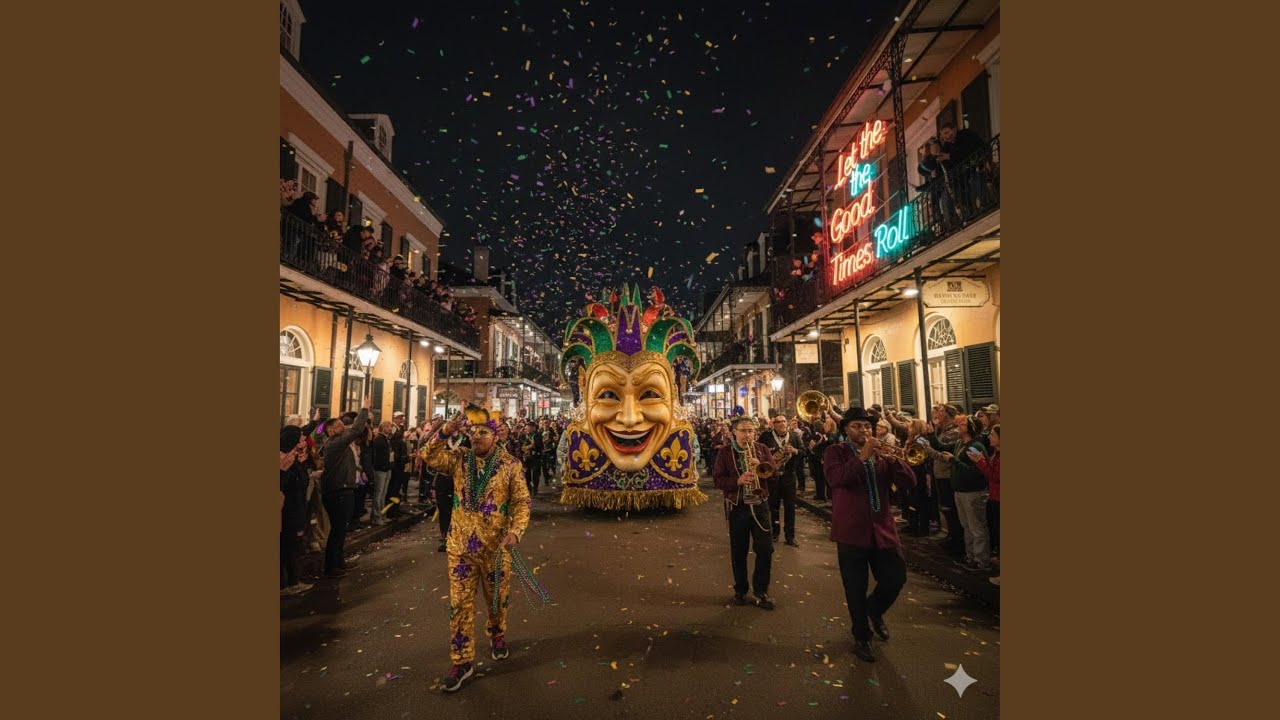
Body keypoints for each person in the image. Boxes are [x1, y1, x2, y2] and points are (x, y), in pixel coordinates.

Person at [420, 406, 531, 693]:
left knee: (496, 600)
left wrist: (516, 532)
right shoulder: (459, 460)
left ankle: (496, 633)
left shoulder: (510, 465)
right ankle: (462, 662)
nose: (477, 437)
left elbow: (522, 503)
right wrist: (445, 431)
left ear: (495, 436)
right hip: (460, 547)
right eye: (472, 432)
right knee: (459, 605)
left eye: (483, 432)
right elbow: (427, 456)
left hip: (496, 549)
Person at [824, 407, 915, 663]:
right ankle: (861, 636)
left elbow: (909, 484)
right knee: (855, 587)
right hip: (851, 531)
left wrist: (897, 462)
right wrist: (861, 458)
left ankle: (874, 611)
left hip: (883, 529)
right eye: (856, 426)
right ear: (845, 430)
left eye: (867, 426)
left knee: (896, 578)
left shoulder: (883, 455)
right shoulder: (836, 452)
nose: (863, 431)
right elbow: (836, 480)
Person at [712, 416, 778, 610]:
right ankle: (740, 590)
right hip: (738, 507)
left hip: (760, 504)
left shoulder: (762, 449)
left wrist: (762, 467)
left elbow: (774, 475)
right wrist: (737, 481)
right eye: (743, 431)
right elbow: (717, 480)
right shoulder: (725, 452)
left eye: (750, 431)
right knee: (739, 551)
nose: (747, 435)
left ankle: (761, 591)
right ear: (734, 432)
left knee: (766, 549)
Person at [318, 396, 370, 578]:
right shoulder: (334, 444)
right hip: (338, 492)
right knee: (338, 530)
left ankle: (339, 562)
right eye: (340, 426)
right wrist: (364, 409)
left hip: (343, 489)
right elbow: (356, 429)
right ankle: (332, 566)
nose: (344, 428)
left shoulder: (338, 443)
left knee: (341, 529)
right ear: (331, 431)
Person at [940, 416, 990, 570]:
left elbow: (978, 472)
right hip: (961, 491)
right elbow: (941, 446)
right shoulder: (961, 443)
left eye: (962, 424)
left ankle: (981, 560)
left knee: (976, 527)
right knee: (966, 525)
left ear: (971, 428)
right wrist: (930, 436)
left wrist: (954, 461)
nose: (958, 426)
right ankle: (971, 556)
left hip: (973, 492)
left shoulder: (975, 446)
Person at [280, 426, 314, 595]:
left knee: (293, 546)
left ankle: (292, 580)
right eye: (300, 438)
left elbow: (302, 483)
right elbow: (284, 484)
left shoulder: (295, 458)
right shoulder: (284, 459)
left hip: (297, 508)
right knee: (288, 546)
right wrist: (288, 470)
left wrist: (301, 465)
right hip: (288, 510)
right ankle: (287, 583)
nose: (303, 441)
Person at [760, 415, 804, 547]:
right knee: (773, 507)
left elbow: (804, 451)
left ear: (787, 423)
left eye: (783, 421)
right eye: (778, 422)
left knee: (790, 508)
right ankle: (774, 532)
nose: (781, 424)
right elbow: (758, 451)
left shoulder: (794, 436)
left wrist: (795, 450)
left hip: (789, 477)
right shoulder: (765, 437)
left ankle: (790, 536)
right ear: (773, 424)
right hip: (772, 478)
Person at [926, 405, 964, 554]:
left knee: (951, 508)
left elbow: (944, 452)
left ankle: (957, 540)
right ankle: (951, 535)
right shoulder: (941, 430)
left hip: (947, 475)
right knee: (945, 507)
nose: (937, 413)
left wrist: (928, 450)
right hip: (939, 473)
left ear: (948, 415)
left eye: (941, 411)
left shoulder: (953, 433)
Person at [970, 424, 1001, 578]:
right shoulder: (997, 453)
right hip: (994, 496)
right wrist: (982, 459)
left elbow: (995, 476)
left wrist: (979, 462)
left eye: (993, 435)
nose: (989, 437)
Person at [369, 422, 394, 525]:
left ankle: (382, 514)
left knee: (383, 493)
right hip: (380, 469)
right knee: (379, 493)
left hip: (387, 468)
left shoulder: (386, 439)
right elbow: (377, 456)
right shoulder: (379, 439)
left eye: (390, 426)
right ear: (382, 428)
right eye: (387, 426)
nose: (390, 428)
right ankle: (376, 516)